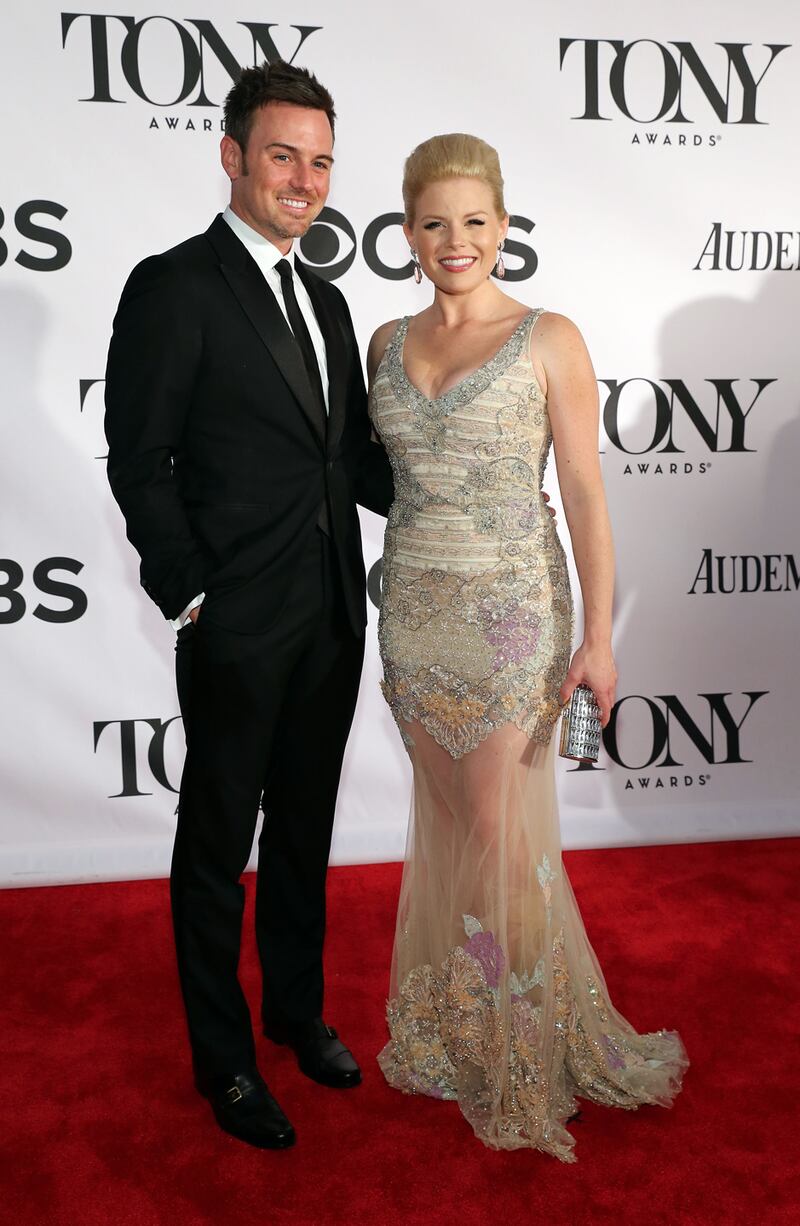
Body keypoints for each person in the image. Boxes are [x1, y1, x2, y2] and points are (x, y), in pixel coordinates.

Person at [366, 134, 688, 1160]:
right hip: (411, 615)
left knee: (501, 834)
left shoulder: (549, 336)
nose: (453, 240)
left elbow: (585, 491)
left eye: (473, 220)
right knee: (451, 825)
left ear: (502, 227)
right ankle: (465, 1021)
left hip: (514, 617)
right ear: (407, 232)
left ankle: (530, 1048)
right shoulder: (383, 341)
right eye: (433, 222)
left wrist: (598, 636)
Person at [103, 61, 395, 1150]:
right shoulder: (173, 286)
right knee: (217, 843)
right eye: (283, 156)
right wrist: (189, 592)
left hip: (332, 611)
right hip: (233, 619)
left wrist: (463, 489)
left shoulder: (328, 297)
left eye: (320, 162)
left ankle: (294, 1013)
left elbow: (348, 460)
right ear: (231, 156)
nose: (304, 180)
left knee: (306, 829)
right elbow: (140, 458)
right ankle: (224, 1062)